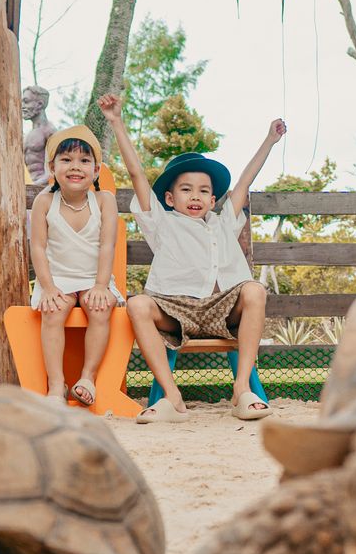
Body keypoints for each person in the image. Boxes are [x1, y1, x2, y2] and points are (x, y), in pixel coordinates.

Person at [97, 93, 282, 422]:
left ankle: (242, 389)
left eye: (202, 191)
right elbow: (138, 176)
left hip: (222, 309)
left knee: (254, 290)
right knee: (137, 304)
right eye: (185, 189)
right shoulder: (162, 222)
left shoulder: (224, 222)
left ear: (213, 200)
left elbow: (244, 182)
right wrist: (116, 122)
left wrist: (269, 140)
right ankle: (172, 397)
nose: (195, 196)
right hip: (175, 308)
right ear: (169, 197)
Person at [28, 124, 123, 407]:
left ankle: (87, 378)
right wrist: (48, 287)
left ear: (95, 171)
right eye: (66, 160)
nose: (75, 167)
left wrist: (101, 285)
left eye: (84, 161)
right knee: (54, 311)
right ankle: (56, 385)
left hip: (95, 277)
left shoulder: (104, 200)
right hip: (57, 278)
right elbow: (38, 247)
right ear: (52, 167)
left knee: (100, 307)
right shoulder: (44, 201)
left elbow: (107, 245)